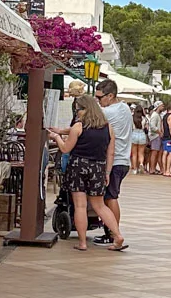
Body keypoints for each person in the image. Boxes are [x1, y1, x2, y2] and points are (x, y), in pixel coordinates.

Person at [49, 93, 126, 252]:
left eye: (78, 110)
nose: (77, 113)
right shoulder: (108, 127)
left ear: (85, 109)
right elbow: (110, 153)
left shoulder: (78, 127)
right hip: (98, 167)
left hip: (78, 166)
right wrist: (107, 172)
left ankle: (83, 243)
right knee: (100, 206)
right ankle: (117, 235)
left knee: (80, 206)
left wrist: (56, 137)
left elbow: (65, 149)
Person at [95, 78, 134, 239]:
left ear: (110, 96)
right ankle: (111, 232)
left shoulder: (108, 112)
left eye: (100, 98)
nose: (98, 101)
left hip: (114, 161)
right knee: (110, 196)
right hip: (124, 159)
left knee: (110, 197)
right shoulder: (125, 108)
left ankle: (113, 233)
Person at [146, 103, 164, 175]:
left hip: (156, 135)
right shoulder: (155, 115)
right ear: (158, 106)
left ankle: (152, 168)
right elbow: (152, 126)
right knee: (154, 152)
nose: (163, 107)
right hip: (155, 136)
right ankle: (152, 169)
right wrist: (159, 132)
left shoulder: (157, 115)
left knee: (155, 153)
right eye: (162, 106)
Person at [130, 106, 148, 174]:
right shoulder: (144, 118)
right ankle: (141, 163)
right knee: (141, 153)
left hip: (134, 134)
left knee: (134, 154)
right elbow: (146, 129)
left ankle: (134, 169)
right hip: (142, 134)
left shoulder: (132, 118)